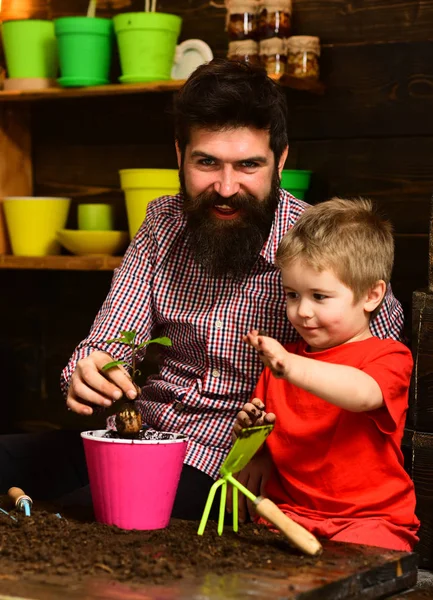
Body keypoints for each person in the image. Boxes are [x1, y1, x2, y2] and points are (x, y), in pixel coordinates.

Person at [61, 59, 404, 520]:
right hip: (136, 435)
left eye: (248, 165)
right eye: (206, 162)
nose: (226, 187)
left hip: (227, 467)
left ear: (280, 162)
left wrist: (274, 444)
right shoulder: (164, 222)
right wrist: (92, 369)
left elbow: (375, 355)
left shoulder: (316, 247)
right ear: (179, 154)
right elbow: (108, 344)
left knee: (73, 517)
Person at [232, 197, 419, 551]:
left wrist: (291, 367)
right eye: (292, 294)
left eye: (319, 296)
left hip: (370, 520)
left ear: (371, 295)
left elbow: (362, 394)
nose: (301, 311)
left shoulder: (389, 357)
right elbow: (266, 428)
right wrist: (250, 436)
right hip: (289, 513)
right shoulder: (281, 362)